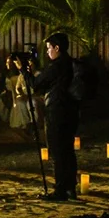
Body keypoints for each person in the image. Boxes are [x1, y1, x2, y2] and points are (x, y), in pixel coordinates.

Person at [27, 33, 81, 201]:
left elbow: (35, 84)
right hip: (71, 112)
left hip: (57, 112)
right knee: (68, 150)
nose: (47, 52)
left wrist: (23, 70)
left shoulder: (56, 66)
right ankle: (70, 188)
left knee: (57, 151)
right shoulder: (70, 64)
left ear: (57, 48)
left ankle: (60, 191)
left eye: (49, 48)